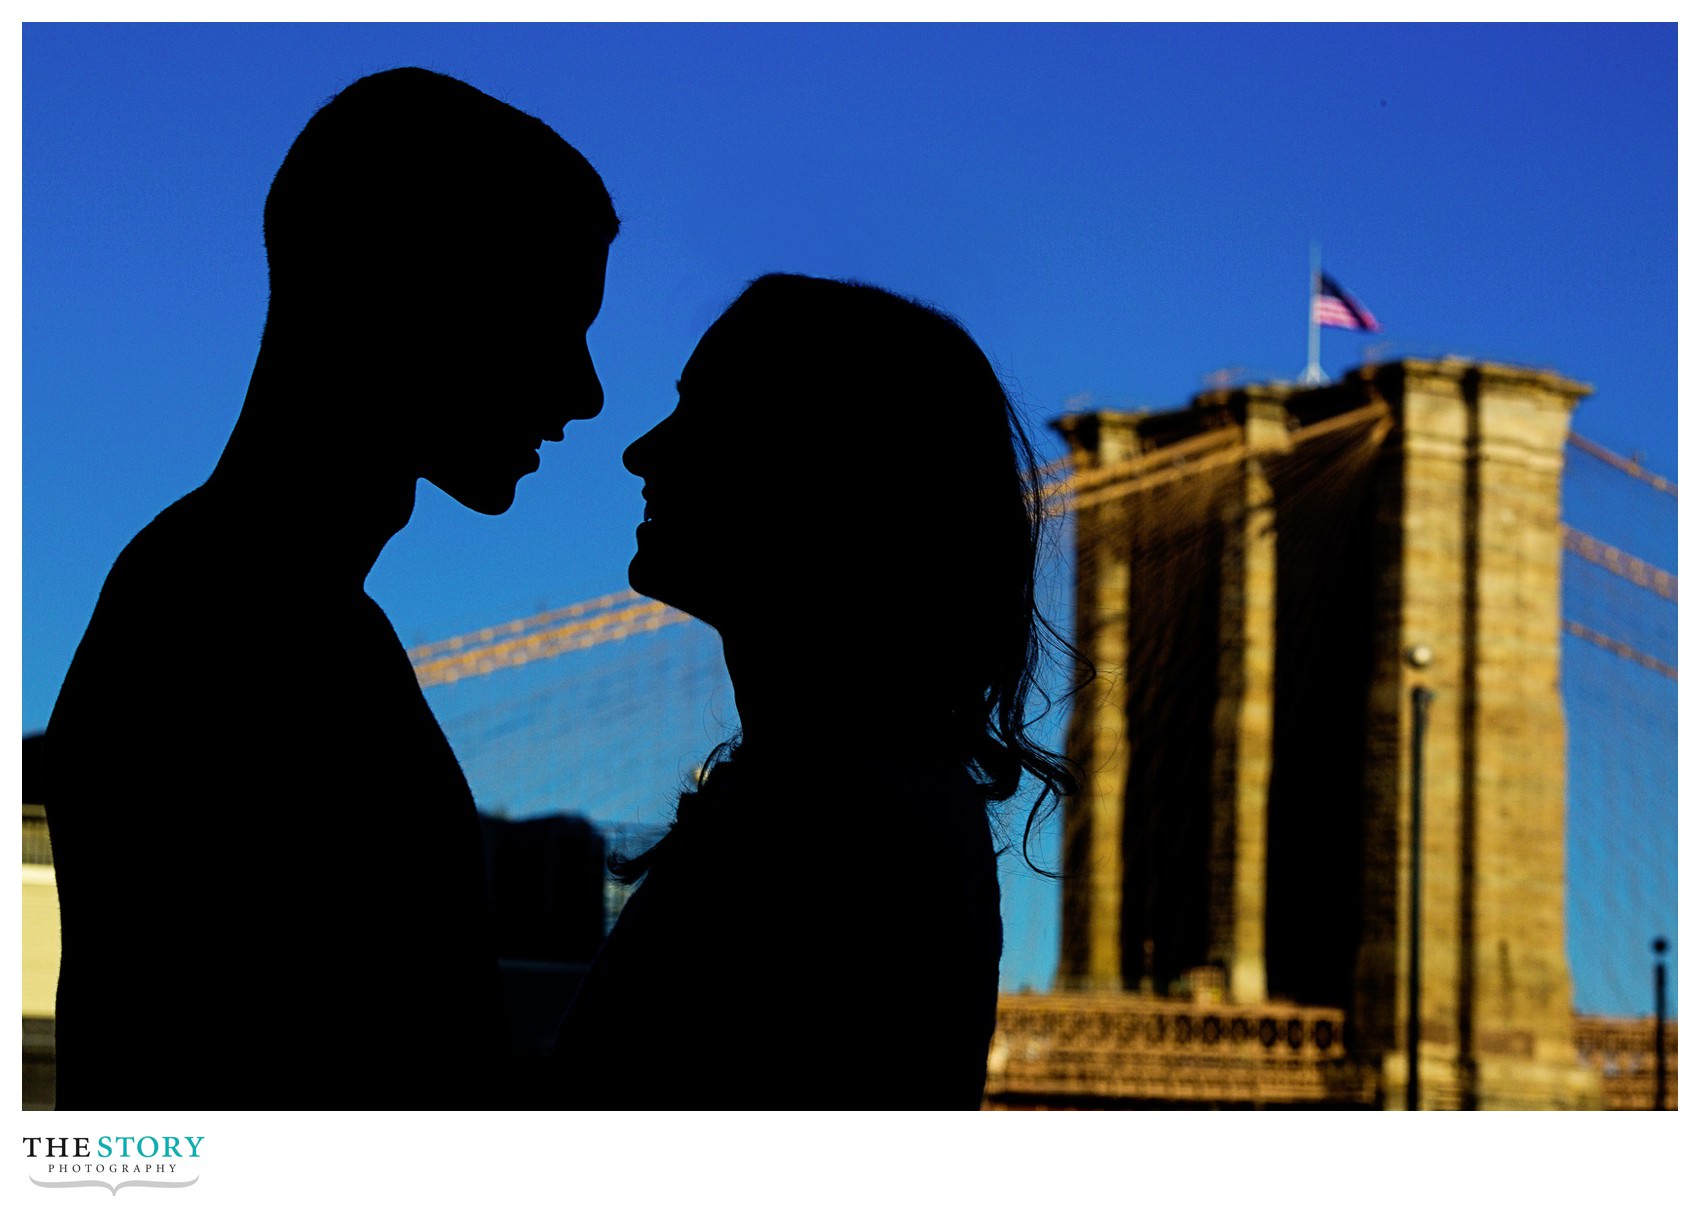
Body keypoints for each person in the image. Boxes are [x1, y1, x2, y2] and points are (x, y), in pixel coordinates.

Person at [44, 67, 617, 1109]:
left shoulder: (218, 594)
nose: (585, 392)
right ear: (408, 294)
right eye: (551, 319)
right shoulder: (244, 628)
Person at [549, 274, 1077, 1109]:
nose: (642, 451)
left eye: (703, 413)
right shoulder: (854, 793)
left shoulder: (838, 820)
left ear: (821, 471)